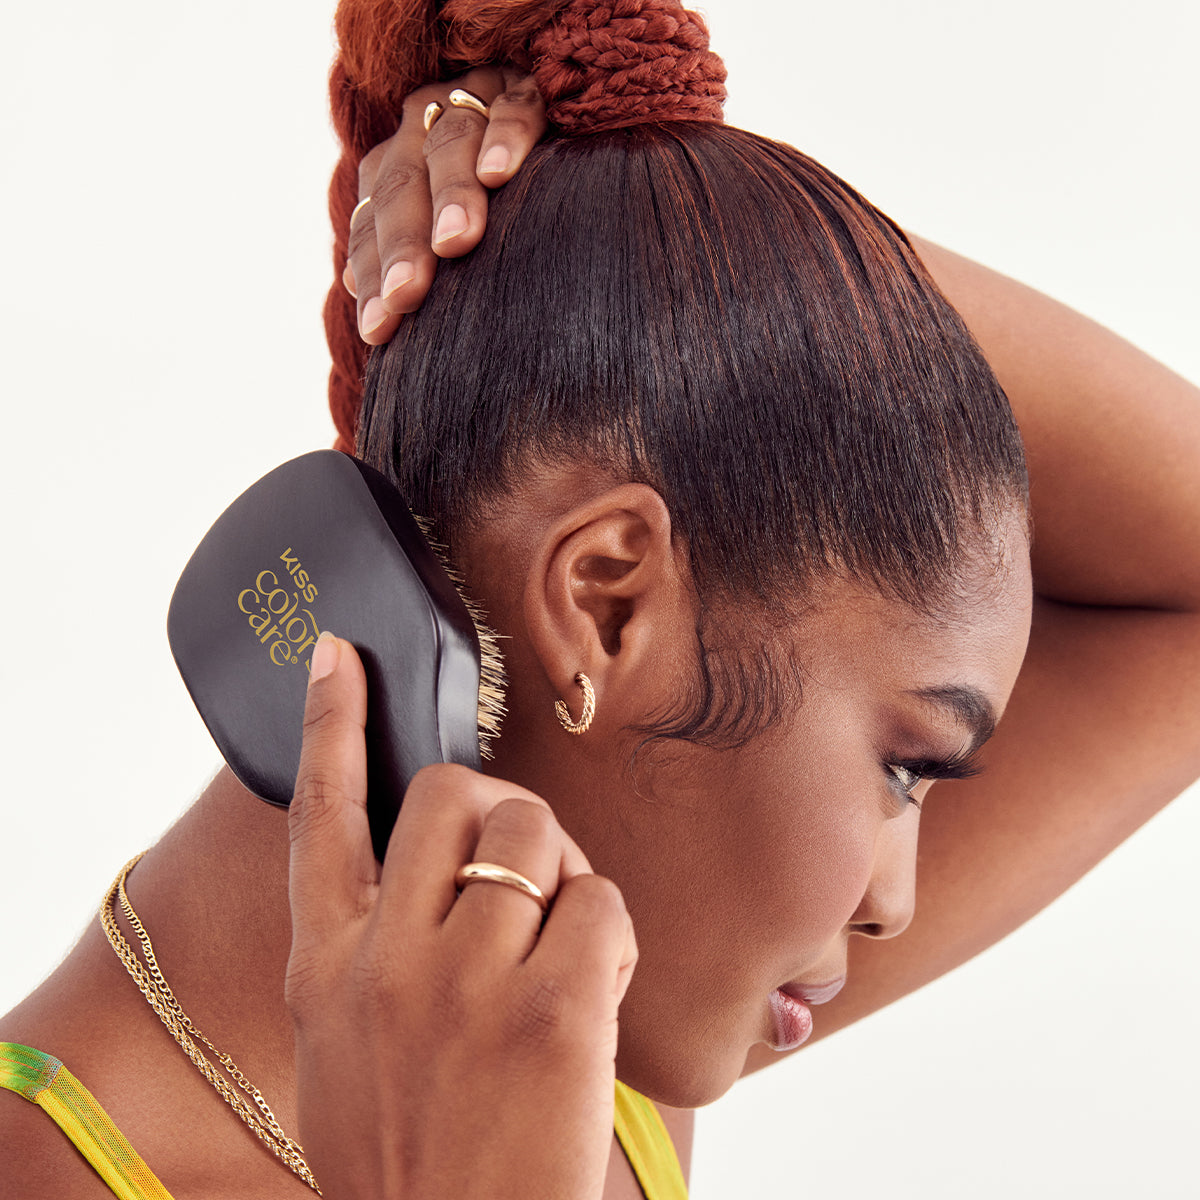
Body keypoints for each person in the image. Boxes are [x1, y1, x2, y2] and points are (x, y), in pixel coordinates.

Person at [2, 2, 1197, 1198]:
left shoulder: (590, 1017)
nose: (893, 904)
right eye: (905, 766)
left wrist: (630, 200)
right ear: (608, 602)